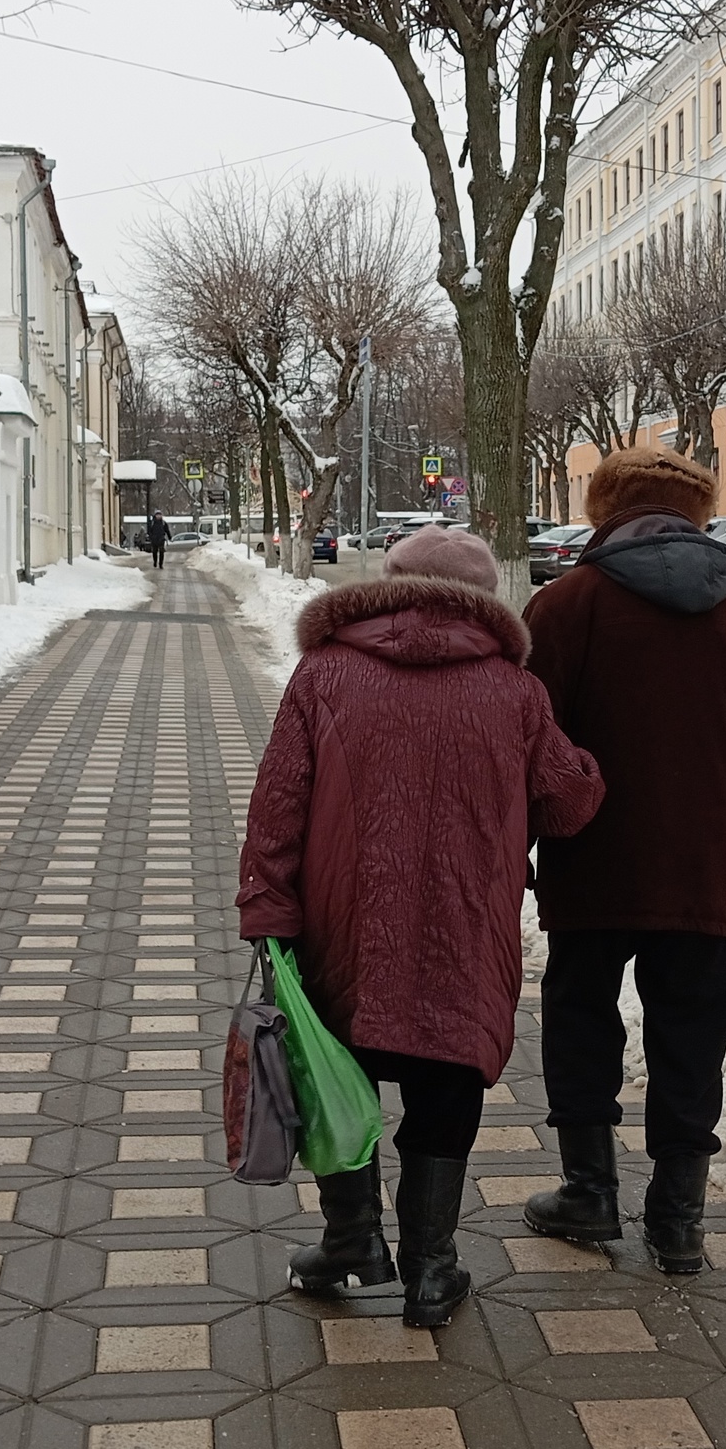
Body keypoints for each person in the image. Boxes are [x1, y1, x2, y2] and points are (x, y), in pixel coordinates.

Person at [238, 525, 604, 1327]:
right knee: (447, 1075)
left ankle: (351, 1242)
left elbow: (278, 803)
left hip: (340, 923)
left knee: (338, 1075)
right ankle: (432, 1270)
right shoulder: (513, 691)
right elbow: (568, 801)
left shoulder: (325, 672)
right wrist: (583, 766)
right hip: (464, 925)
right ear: (484, 599)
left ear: (392, 583)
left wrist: (268, 909)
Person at [521, 446, 726, 1273]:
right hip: (705, 868)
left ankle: (589, 1192)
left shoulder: (566, 605)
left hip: (592, 856)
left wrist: (518, 850)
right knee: (691, 1032)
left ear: (606, 508)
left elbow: (530, 747)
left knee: (581, 1018)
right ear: (697, 514)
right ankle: (679, 1218)